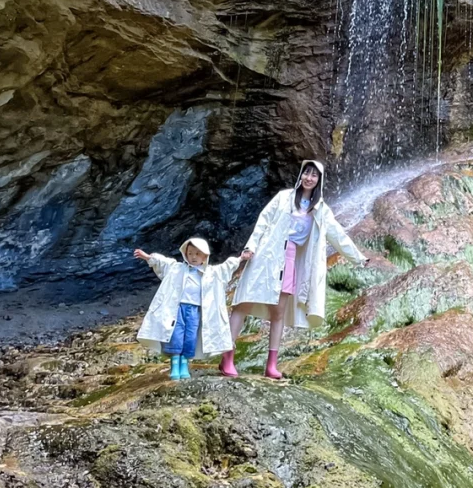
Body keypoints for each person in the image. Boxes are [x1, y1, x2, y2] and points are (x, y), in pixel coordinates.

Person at [220, 160, 367, 380]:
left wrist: (359, 258)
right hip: (266, 256)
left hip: (290, 259)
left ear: (319, 180)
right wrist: (250, 247)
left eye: (314, 175)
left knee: (278, 312)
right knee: (243, 303)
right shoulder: (284, 197)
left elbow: (338, 235)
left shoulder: (321, 210)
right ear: (301, 175)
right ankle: (227, 358)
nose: (309, 178)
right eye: (306, 173)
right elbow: (263, 221)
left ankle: (271, 365)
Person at [134, 237, 244, 380]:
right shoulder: (177, 268)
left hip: (194, 310)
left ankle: (184, 364)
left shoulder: (211, 273)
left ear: (205, 256)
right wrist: (148, 257)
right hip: (177, 309)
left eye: (197, 254)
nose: (193, 257)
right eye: (190, 253)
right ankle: (175, 364)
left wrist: (241, 258)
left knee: (191, 336)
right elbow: (162, 262)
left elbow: (226, 267)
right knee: (176, 335)